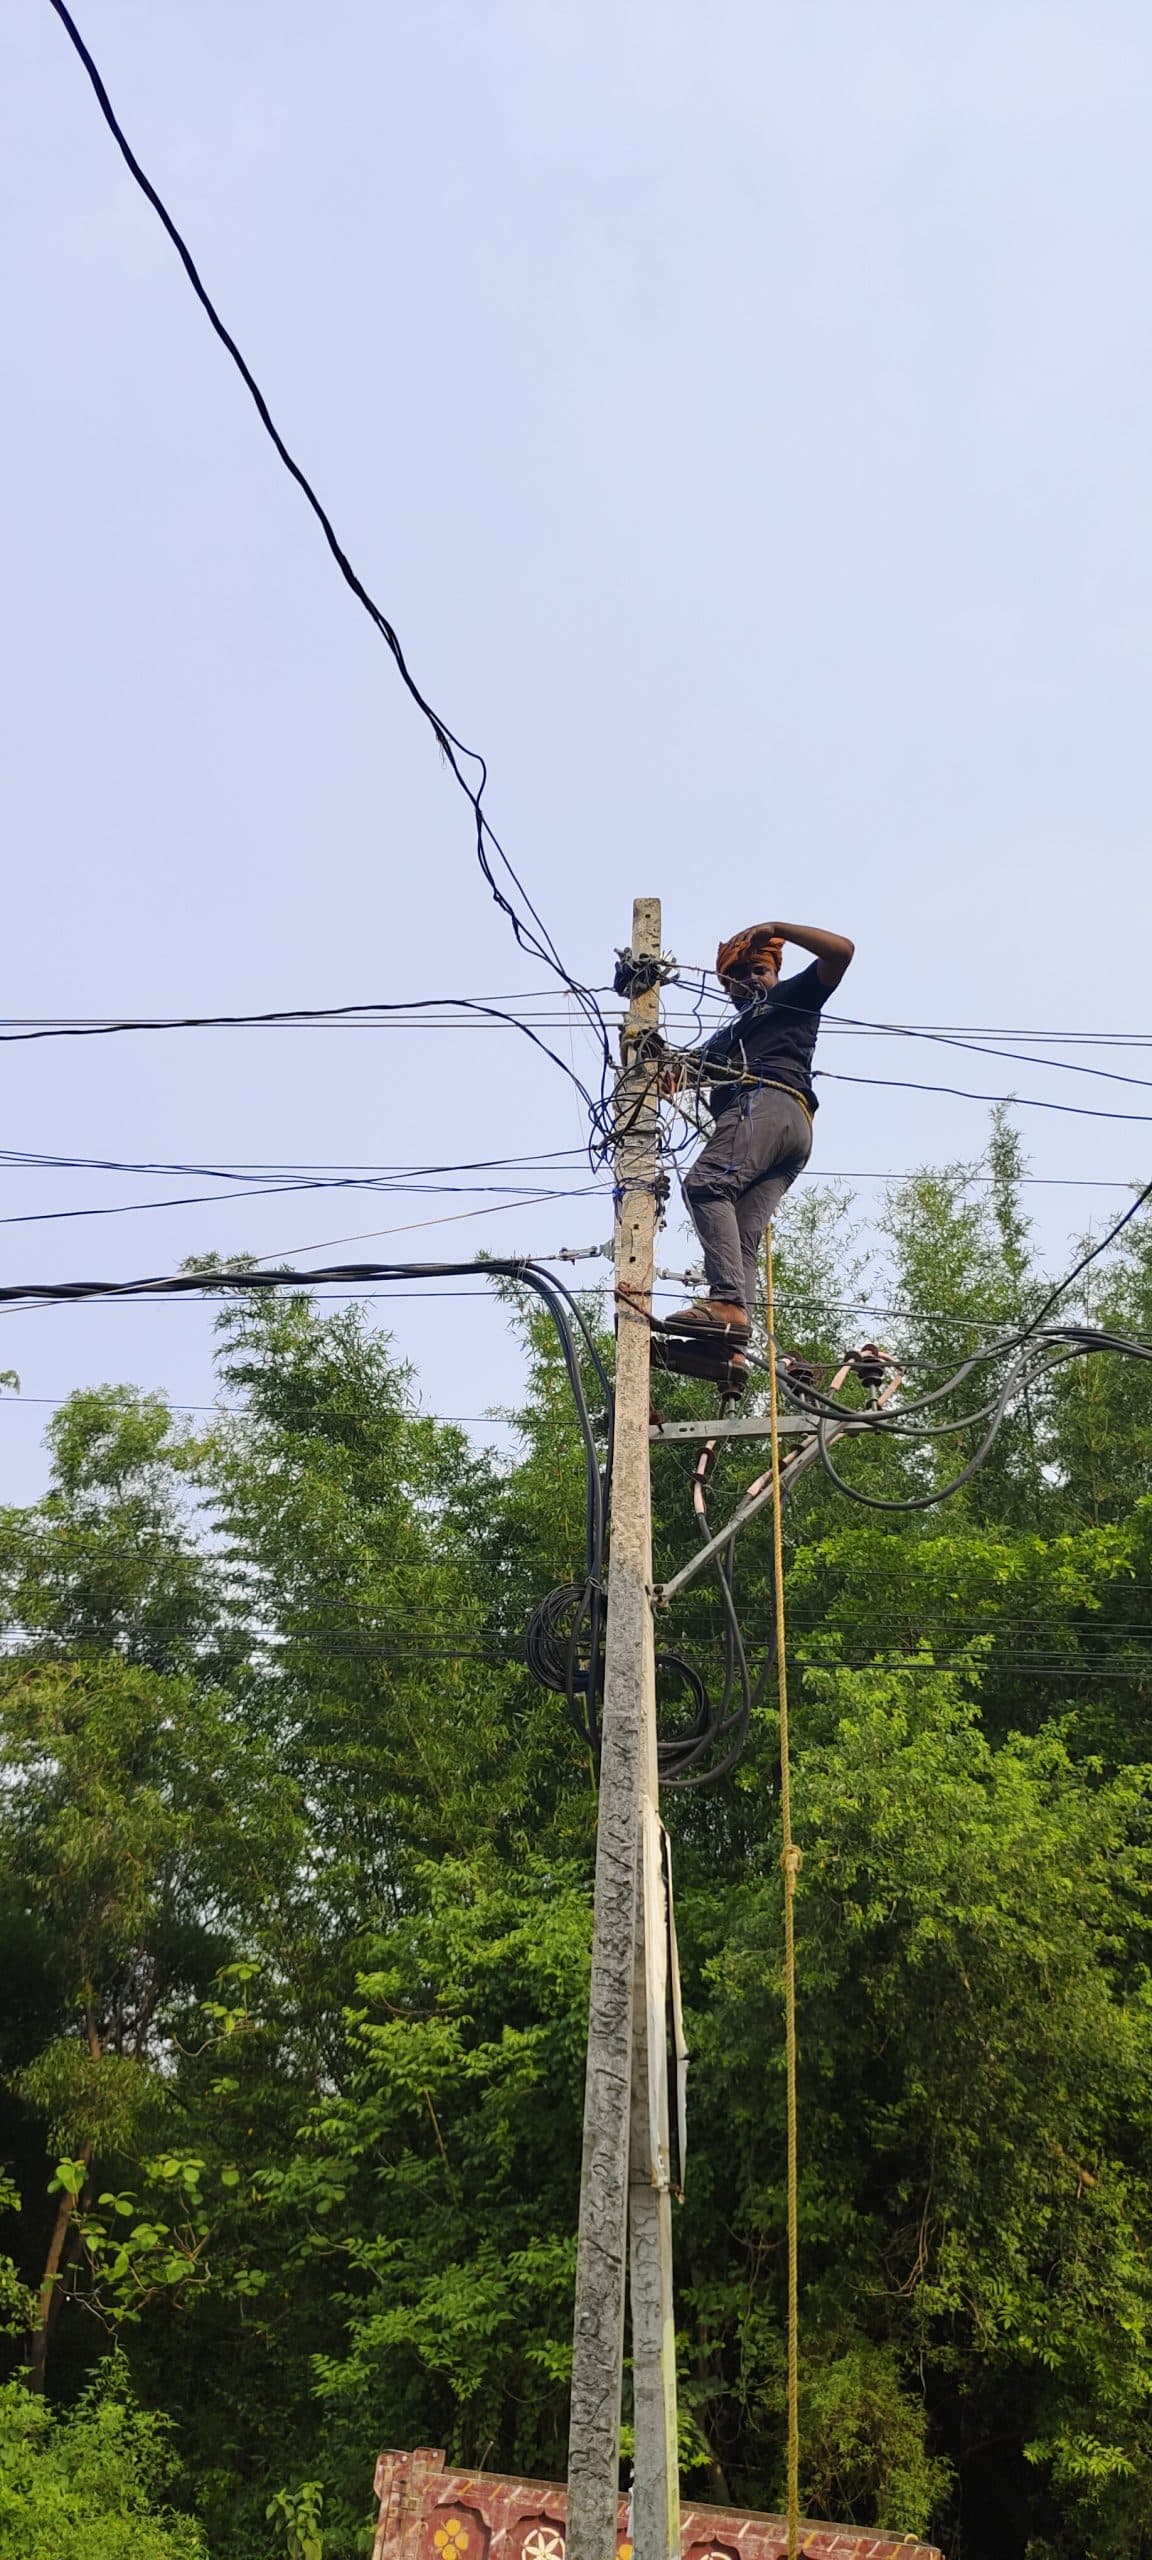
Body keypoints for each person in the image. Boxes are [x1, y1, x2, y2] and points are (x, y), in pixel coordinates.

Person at [663, 918, 855, 1337]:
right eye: (738, 975)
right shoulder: (726, 1041)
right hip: (791, 1135)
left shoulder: (793, 996)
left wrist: (776, 927)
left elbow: (841, 951)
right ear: (727, 987)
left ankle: (727, 1304)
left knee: (707, 1184)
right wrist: (658, 1066)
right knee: (743, 1231)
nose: (751, 979)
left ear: (775, 973)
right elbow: (677, 1074)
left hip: (769, 1106)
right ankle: (731, 1345)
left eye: (759, 970)